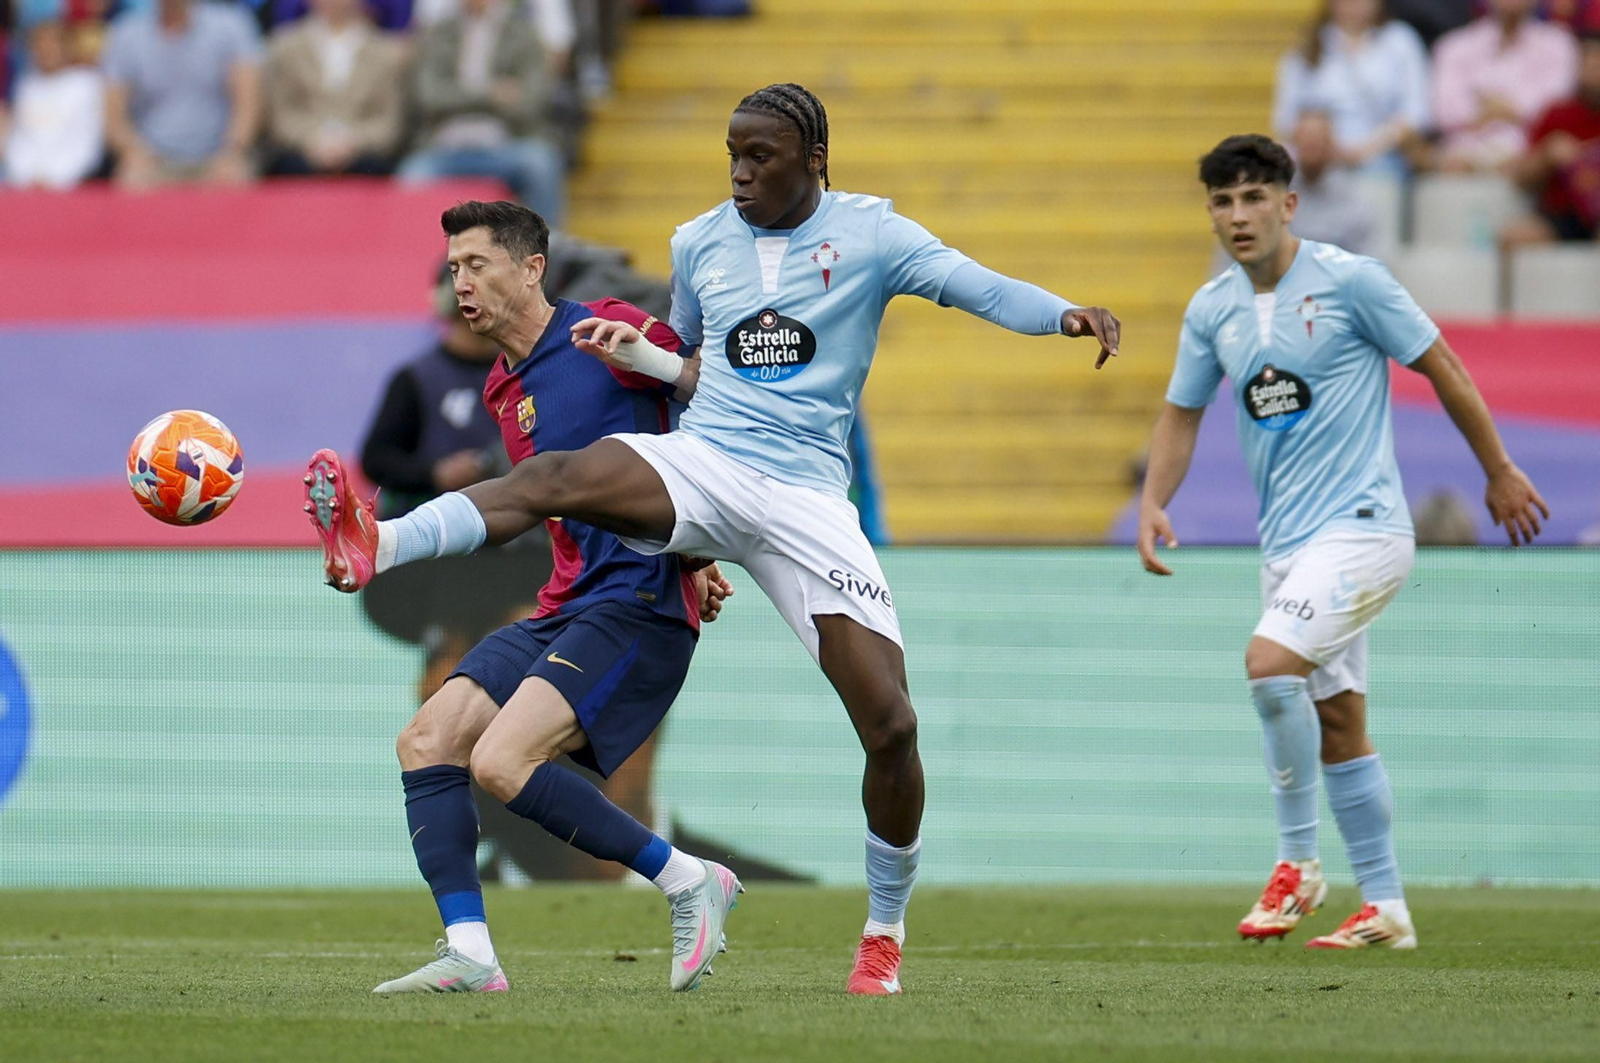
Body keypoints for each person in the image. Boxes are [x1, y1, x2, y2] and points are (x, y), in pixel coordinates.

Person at [305, 83, 1121, 995]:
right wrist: (658, 401)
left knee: (890, 721)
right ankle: (379, 539)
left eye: (759, 155)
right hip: (710, 461)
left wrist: (1062, 313)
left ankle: (883, 933)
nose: (739, 172)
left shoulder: (875, 235)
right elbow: (694, 375)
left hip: (808, 494)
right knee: (558, 478)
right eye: (731, 153)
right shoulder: (700, 243)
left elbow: (975, 285)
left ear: (812, 156)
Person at [305, 201, 739, 994]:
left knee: (504, 760)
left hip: (635, 602)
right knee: (428, 739)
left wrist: (700, 543)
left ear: (531, 267)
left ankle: (686, 880)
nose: (460, 281)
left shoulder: (603, 327)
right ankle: (471, 953)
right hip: (567, 600)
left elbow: (715, 402)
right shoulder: (510, 389)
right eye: (453, 267)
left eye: (477, 263)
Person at [1137, 134, 1548, 949]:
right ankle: (1388, 907)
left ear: (1290, 204)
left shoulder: (1353, 281)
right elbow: (1182, 412)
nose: (1238, 215)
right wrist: (1154, 500)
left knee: (1267, 664)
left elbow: (1445, 366)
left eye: (1255, 197)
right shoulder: (1212, 307)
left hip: (1363, 530)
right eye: (1223, 201)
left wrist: (1498, 469)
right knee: (1340, 724)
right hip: (1287, 546)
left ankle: (1298, 865)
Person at [397, 0, 566, 226]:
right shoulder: (439, 33)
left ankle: (548, 251)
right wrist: (491, 93)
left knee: (542, 165)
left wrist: (458, 95)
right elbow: (430, 97)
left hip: (507, 142)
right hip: (446, 145)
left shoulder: (523, 33)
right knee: (411, 177)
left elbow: (530, 102)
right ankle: (416, 256)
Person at [101, 0, 263, 189]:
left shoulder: (231, 25)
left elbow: (248, 104)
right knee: (131, 184)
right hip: (153, 160)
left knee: (235, 182)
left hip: (218, 155)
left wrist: (233, 151)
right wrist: (133, 151)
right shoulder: (126, 32)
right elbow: (113, 116)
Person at [1272, 0, 1430, 177]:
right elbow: (1286, 119)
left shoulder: (1400, 40)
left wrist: (1368, 149)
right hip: (1320, 160)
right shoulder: (1308, 48)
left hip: (1386, 156)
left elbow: (1417, 112)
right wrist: (1327, 148)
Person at [1432, 0, 1579, 172]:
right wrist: (1512, 110)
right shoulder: (1454, 45)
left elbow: (1555, 106)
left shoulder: (1558, 43)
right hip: (1460, 159)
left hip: (1527, 163)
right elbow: (1445, 113)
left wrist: (1490, 108)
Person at [261, 0, 405, 177]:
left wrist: (352, 141)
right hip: (300, 154)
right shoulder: (284, 47)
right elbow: (280, 115)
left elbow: (388, 120)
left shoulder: (386, 52)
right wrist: (313, 140)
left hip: (365, 157)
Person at [1501, 30, 1600, 249]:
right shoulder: (1556, 113)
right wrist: (1547, 155)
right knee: (1512, 238)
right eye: (1588, 60)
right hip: (1559, 216)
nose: (1593, 68)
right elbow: (1521, 178)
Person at [3, 19, 104, 188]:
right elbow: (17, 139)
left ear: (67, 46)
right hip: (26, 186)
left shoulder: (86, 85)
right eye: (39, 44)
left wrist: (55, 178)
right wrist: (27, 176)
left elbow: (87, 143)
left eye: (52, 43)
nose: (46, 50)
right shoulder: (25, 86)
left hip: (71, 186)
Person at [1285, 109, 1376, 256]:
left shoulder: (1353, 196)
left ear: (1332, 143)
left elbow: (1368, 256)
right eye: (1306, 137)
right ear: (1293, 141)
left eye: (1319, 139)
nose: (1312, 144)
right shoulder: (1277, 192)